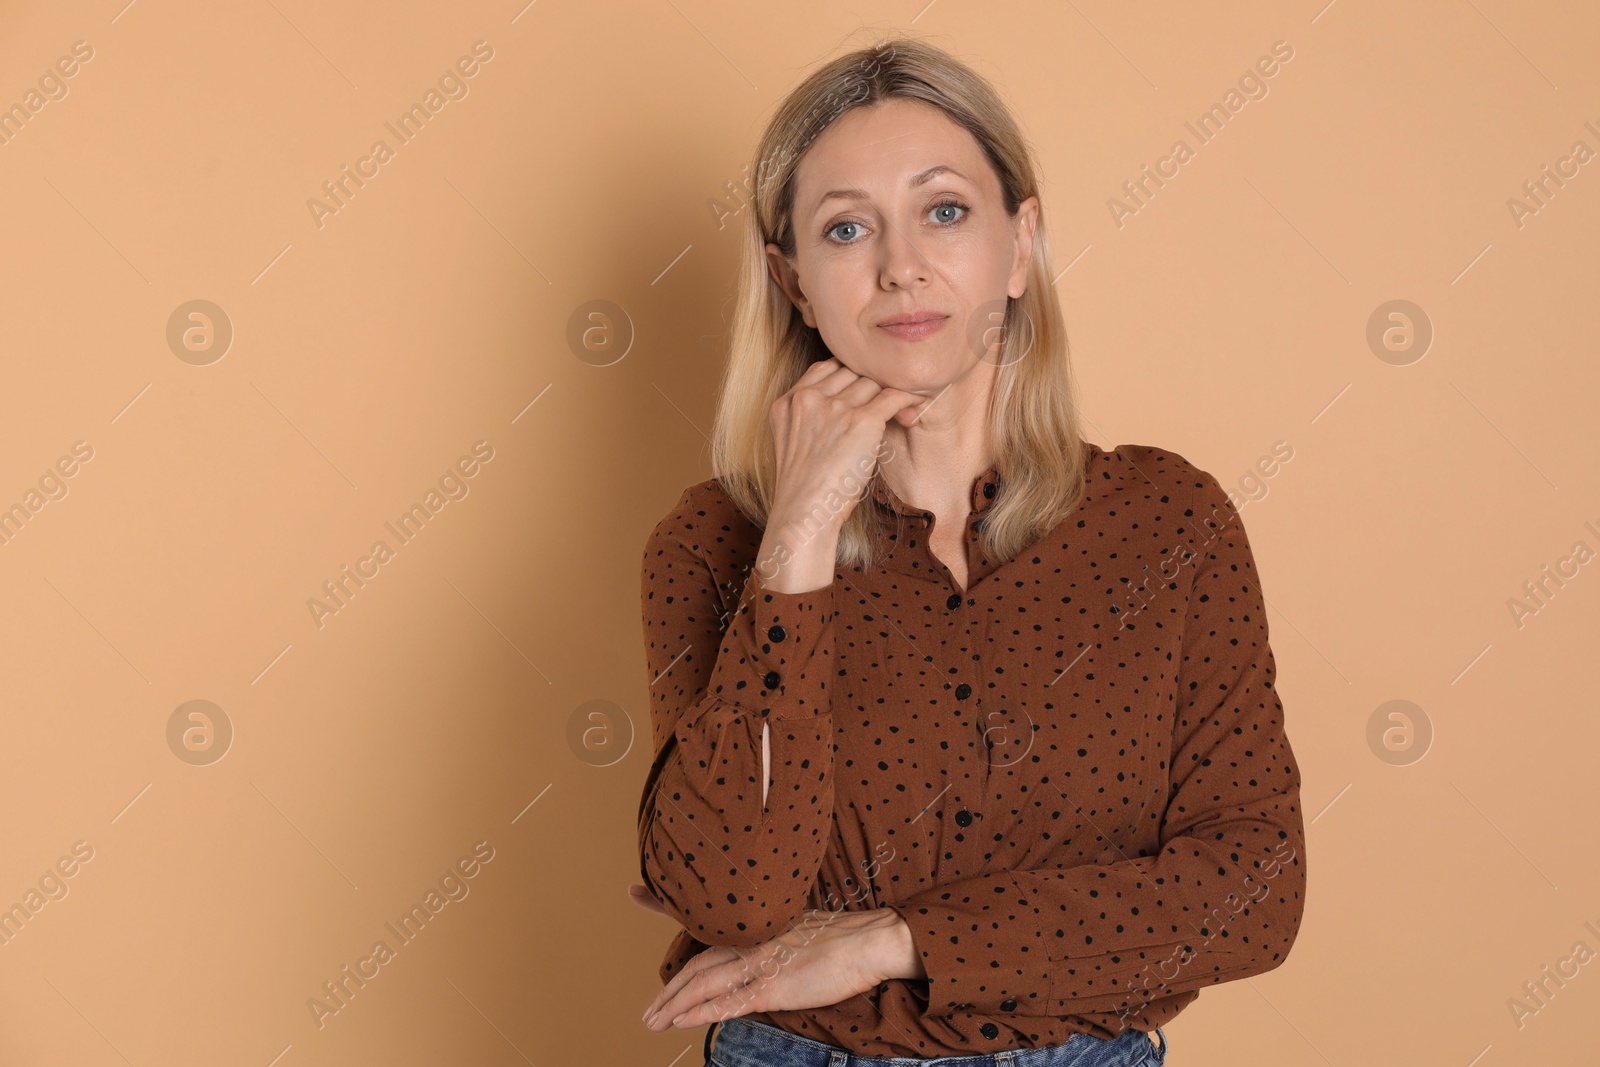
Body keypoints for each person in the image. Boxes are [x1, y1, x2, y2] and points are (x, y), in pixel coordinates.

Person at [631, 35, 1306, 1067]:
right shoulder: (710, 543)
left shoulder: (1170, 522)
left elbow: (1252, 890)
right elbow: (734, 892)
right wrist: (800, 529)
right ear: (794, 281)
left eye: (943, 210)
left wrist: (892, 940)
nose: (901, 264)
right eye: (846, 227)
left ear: (1019, 242)